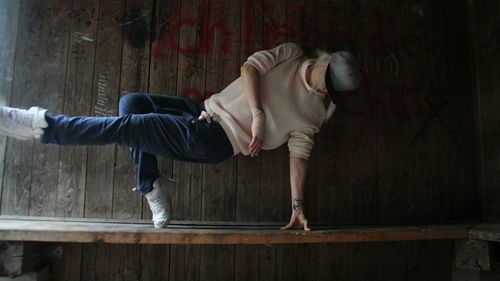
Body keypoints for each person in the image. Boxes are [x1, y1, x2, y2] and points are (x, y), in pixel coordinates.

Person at [0, 42, 361, 230]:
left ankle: (42, 125)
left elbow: (299, 155)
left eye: (333, 91)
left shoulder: (315, 113)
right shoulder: (292, 54)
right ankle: (149, 184)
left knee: (131, 127)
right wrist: (258, 114)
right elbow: (250, 67)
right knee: (131, 103)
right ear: (325, 63)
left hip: (216, 140)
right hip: (202, 109)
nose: (325, 90)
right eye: (327, 81)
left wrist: (297, 207)